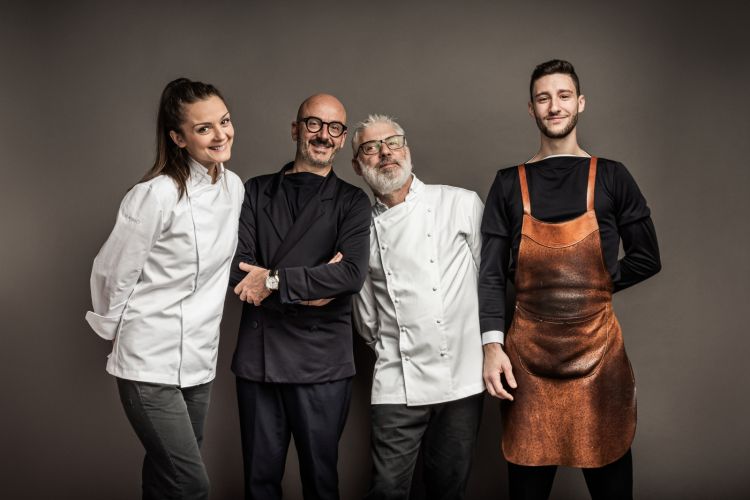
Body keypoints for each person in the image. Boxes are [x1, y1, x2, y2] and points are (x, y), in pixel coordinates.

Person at [479, 59, 661, 500]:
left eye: (563, 96)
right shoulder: (508, 183)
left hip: (599, 357)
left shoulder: (613, 176)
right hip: (526, 361)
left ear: (580, 103)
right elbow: (488, 274)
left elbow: (647, 257)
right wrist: (491, 346)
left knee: (613, 487)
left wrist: (594, 287)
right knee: (526, 488)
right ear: (531, 109)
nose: (554, 106)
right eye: (543, 98)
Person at [85, 78, 244, 499]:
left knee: (165, 476)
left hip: (198, 359)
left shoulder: (234, 188)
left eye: (224, 122)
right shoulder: (155, 195)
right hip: (149, 361)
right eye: (203, 128)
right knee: (191, 484)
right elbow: (111, 272)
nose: (220, 134)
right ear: (178, 137)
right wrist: (117, 330)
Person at [230, 93, 371, 500]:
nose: (323, 135)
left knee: (321, 482)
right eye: (313, 124)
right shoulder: (255, 191)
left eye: (334, 128)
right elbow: (240, 272)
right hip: (260, 361)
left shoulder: (352, 201)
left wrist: (273, 281)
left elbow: (349, 275)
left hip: (322, 365)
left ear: (343, 139)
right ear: (295, 129)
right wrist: (314, 287)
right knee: (259, 483)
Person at [351, 115, 485, 500]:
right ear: (358, 165)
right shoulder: (359, 227)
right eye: (371, 148)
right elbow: (364, 312)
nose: (385, 153)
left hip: (460, 374)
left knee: (448, 489)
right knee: (387, 489)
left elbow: (488, 284)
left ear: (406, 149)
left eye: (392, 142)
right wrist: (387, 348)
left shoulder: (459, 203)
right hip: (397, 375)